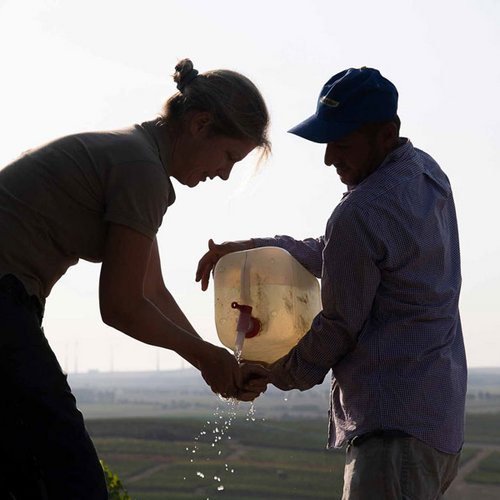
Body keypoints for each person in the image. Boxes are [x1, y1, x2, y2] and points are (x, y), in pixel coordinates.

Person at [0, 58, 270, 499]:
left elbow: (152, 290)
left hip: (12, 303)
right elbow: (121, 307)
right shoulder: (140, 169)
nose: (224, 173)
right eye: (229, 157)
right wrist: (207, 359)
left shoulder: (137, 157)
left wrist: (216, 360)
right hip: (5, 301)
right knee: (71, 473)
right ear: (200, 124)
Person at [197, 67, 467, 499]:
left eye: (342, 144)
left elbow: (339, 326)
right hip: (438, 420)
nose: (329, 158)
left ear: (386, 133)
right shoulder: (426, 174)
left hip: (390, 432)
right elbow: (342, 251)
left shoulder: (360, 212)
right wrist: (254, 246)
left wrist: (273, 372)